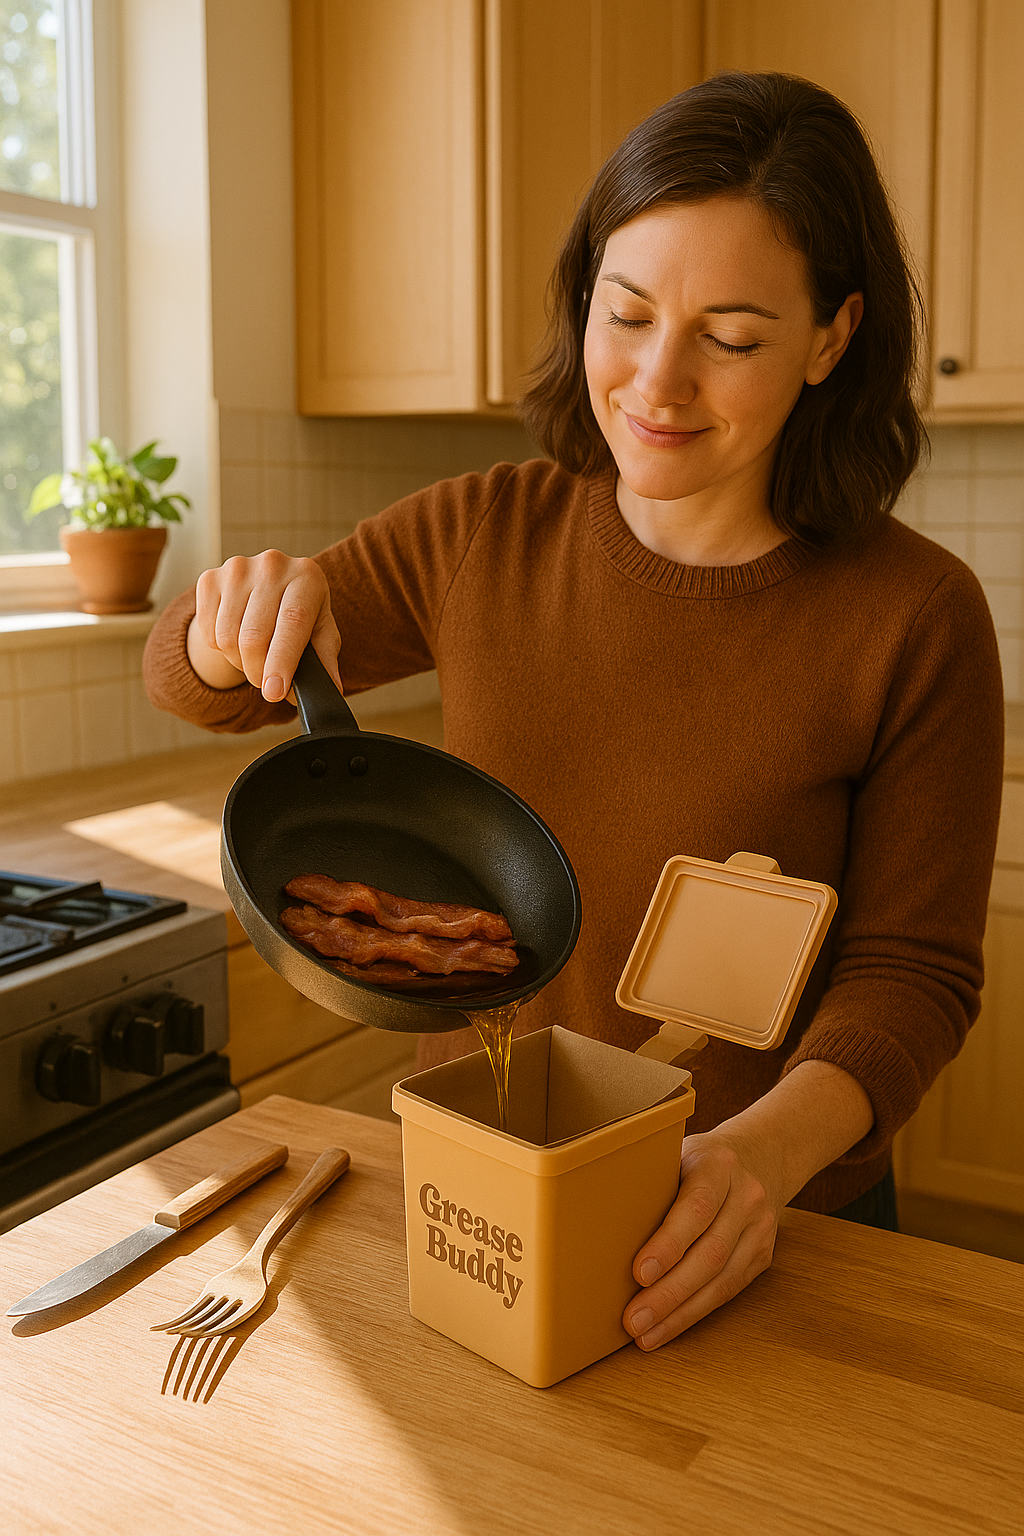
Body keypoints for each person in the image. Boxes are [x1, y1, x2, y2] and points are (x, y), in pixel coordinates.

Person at [144, 72, 1004, 1353]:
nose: (657, 382)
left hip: (756, 1219)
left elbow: (913, 974)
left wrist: (757, 1164)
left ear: (830, 339)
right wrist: (230, 620)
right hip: (482, 1184)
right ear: (585, 295)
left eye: (731, 336)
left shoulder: (915, 615)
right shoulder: (483, 530)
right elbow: (192, 686)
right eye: (629, 312)